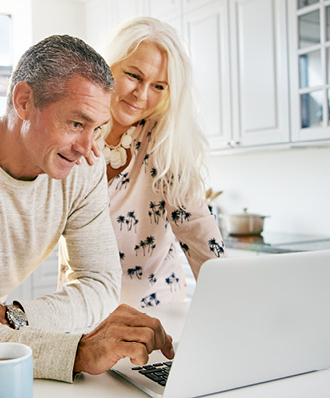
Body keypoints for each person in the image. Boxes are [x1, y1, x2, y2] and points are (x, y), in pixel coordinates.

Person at [0, 34, 174, 383]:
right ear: (24, 101)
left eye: (97, 128)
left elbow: (100, 284)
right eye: (76, 123)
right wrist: (79, 353)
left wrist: (10, 315)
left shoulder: (84, 169)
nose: (88, 149)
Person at [71, 17, 226, 308]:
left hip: (157, 312)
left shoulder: (163, 140)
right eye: (133, 76)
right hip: (84, 309)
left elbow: (195, 225)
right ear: (108, 66)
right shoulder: (73, 135)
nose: (141, 95)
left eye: (158, 86)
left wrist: (231, 297)